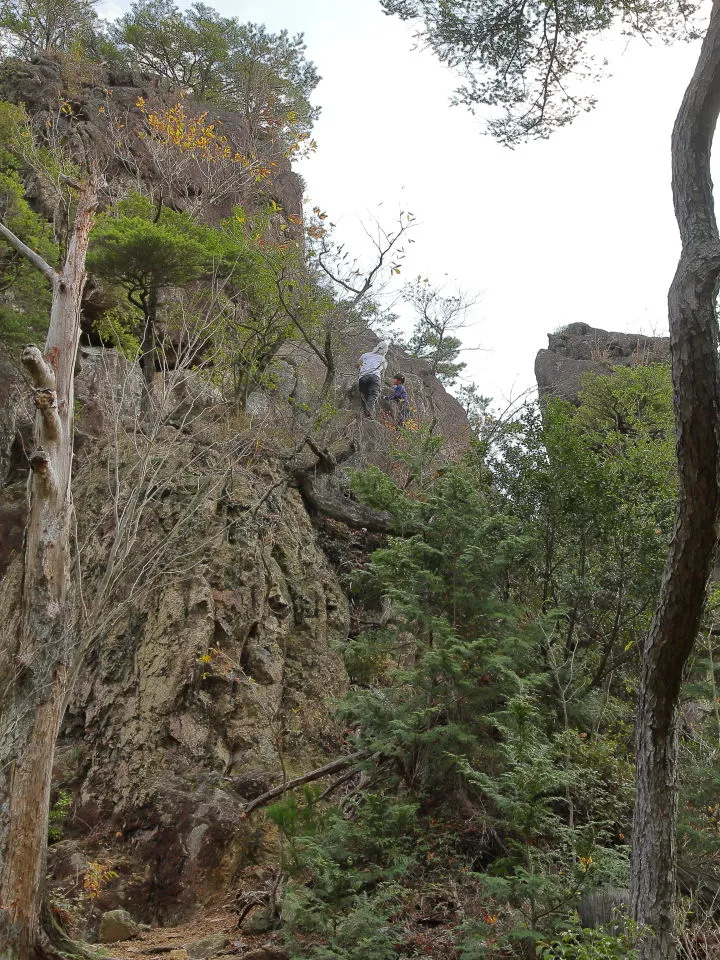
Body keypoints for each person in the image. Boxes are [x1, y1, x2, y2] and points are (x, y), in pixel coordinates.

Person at [357, 341, 388, 418]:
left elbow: (357, 364)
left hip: (363, 377)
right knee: (373, 395)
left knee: (364, 394)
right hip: (375, 378)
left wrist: (362, 369)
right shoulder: (383, 360)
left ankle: (365, 411)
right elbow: (382, 371)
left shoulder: (365, 355)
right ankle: (370, 414)